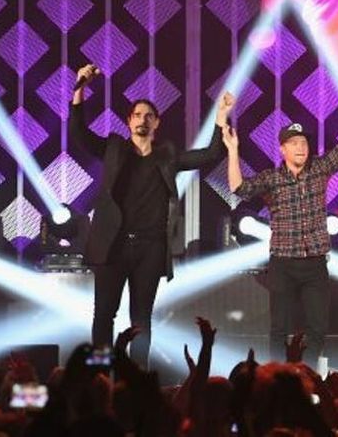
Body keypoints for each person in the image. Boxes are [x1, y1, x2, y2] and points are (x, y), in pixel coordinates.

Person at [69, 63, 234, 365]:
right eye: (137, 115)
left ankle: (137, 374)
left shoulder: (167, 155)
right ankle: (102, 373)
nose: (142, 120)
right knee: (104, 313)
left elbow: (210, 154)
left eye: (148, 116)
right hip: (112, 244)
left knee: (141, 317)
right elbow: (79, 135)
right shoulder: (114, 148)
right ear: (128, 121)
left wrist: (221, 118)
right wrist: (79, 89)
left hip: (149, 247)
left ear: (156, 123)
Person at [223, 83, 338, 364]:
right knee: (279, 329)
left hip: (314, 262)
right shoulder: (272, 178)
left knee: (318, 328)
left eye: (304, 143)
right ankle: (278, 376)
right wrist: (232, 150)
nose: (301, 148)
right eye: (294, 143)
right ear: (282, 149)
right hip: (283, 262)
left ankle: (309, 374)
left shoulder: (319, 169)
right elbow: (238, 187)